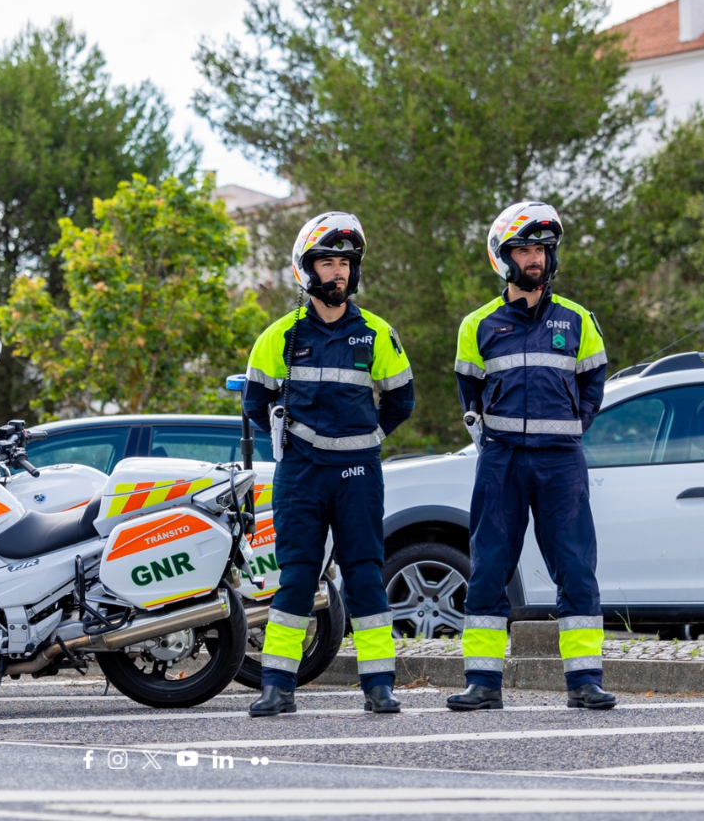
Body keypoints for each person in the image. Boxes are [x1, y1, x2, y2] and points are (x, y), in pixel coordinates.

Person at [242, 211, 415, 716]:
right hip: (301, 473)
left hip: (359, 473)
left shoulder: (378, 334)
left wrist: (367, 440)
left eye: (345, 262)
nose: (337, 272)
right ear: (306, 270)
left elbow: (402, 402)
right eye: (328, 262)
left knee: (364, 574)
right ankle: (277, 685)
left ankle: (379, 685)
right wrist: (294, 441)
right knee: (295, 576)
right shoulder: (280, 336)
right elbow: (255, 402)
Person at [449, 201, 615, 712]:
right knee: (489, 567)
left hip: (561, 462)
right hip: (501, 461)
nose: (535, 258)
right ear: (503, 258)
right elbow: (468, 393)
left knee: (576, 569)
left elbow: (594, 385)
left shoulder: (577, 319)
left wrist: (571, 425)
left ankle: (584, 680)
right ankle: (483, 683)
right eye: (524, 248)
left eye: (542, 248)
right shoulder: (477, 325)